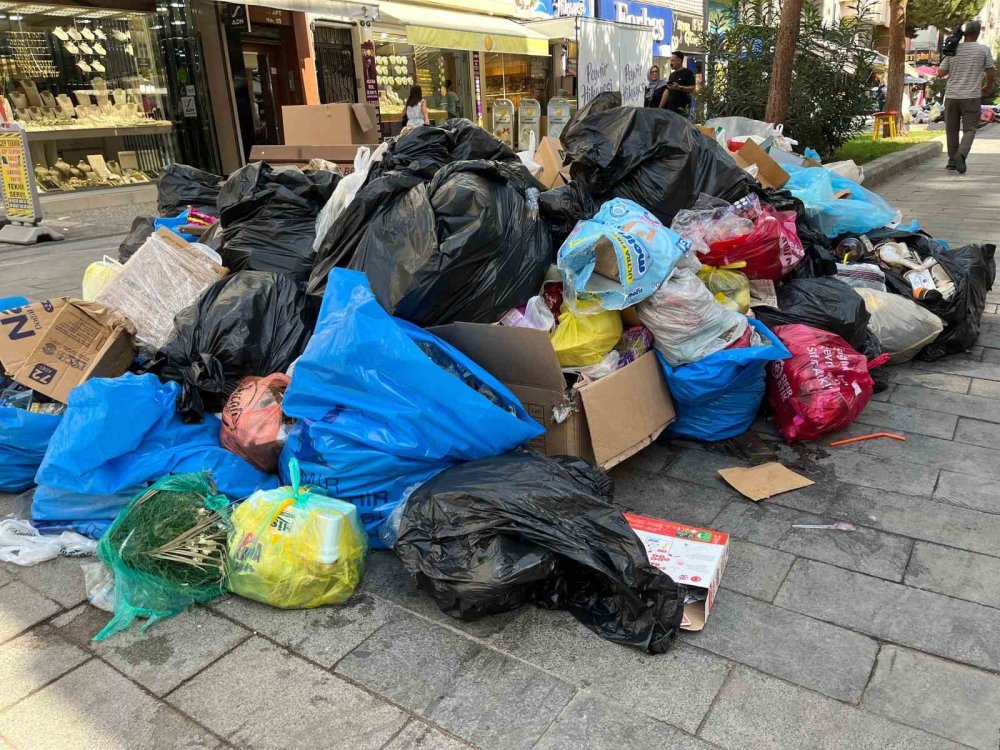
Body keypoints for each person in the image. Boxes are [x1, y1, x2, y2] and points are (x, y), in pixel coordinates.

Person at [938, 20, 996, 173]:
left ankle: (952, 161)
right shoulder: (983, 50)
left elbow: (940, 73)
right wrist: (987, 87)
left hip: (951, 96)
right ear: (977, 33)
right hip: (971, 97)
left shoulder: (953, 49)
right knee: (970, 129)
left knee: (951, 129)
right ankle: (961, 154)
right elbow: (991, 71)